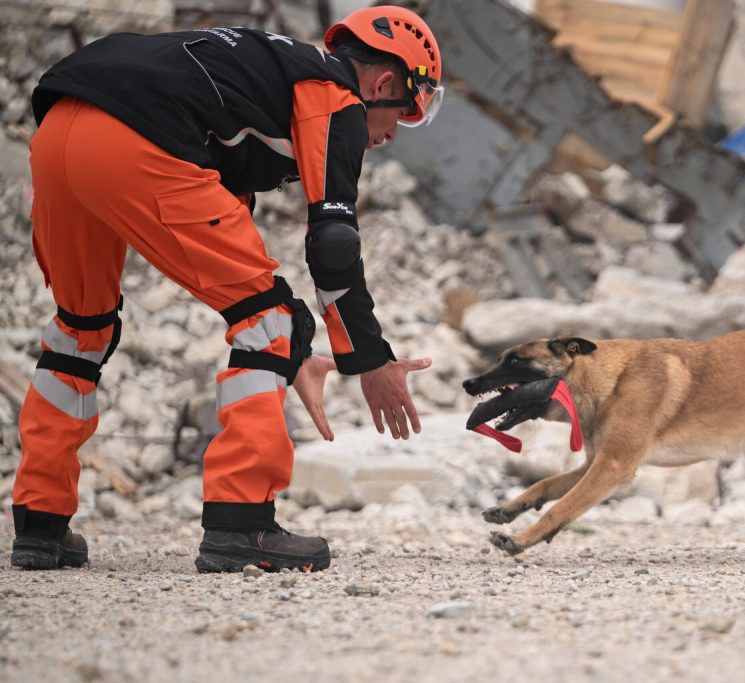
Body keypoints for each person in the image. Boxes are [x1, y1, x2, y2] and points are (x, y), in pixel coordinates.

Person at [9, 6, 443, 573]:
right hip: (137, 141)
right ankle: (241, 525)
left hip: (60, 134)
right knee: (274, 324)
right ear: (383, 83)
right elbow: (334, 246)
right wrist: (367, 358)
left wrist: (295, 355)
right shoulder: (337, 97)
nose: (391, 134)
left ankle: (39, 525)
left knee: (79, 329)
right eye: (405, 114)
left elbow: (219, 193)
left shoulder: (269, 70)